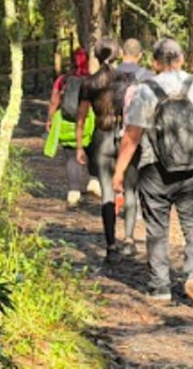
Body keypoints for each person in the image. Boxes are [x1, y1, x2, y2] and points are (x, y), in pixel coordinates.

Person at [112, 38, 193, 305]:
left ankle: (159, 287)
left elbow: (132, 136)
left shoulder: (145, 90)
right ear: (182, 59)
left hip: (154, 171)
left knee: (157, 229)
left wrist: (119, 173)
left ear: (155, 63)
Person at [75, 39, 147, 265]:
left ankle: (110, 244)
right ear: (117, 55)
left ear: (96, 56)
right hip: (125, 136)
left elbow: (81, 118)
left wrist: (79, 146)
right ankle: (128, 238)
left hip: (101, 136)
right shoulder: (127, 79)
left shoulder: (89, 83)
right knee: (130, 189)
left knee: (107, 191)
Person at [114, 37, 154, 256]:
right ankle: (137, 238)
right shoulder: (148, 77)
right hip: (141, 139)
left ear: (121, 52)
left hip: (114, 136)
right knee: (137, 188)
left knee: (118, 187)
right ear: (140, 55)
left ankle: (118, 239)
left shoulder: (110, 75)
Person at [45, 47, 92, 208]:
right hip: (88, 122)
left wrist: (50, 118)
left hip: (66, 121)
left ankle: (73, 192)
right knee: (91, 151)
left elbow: (54, 100)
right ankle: (94, 180)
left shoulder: (63, 80)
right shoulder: (91, 79)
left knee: (72, 158)